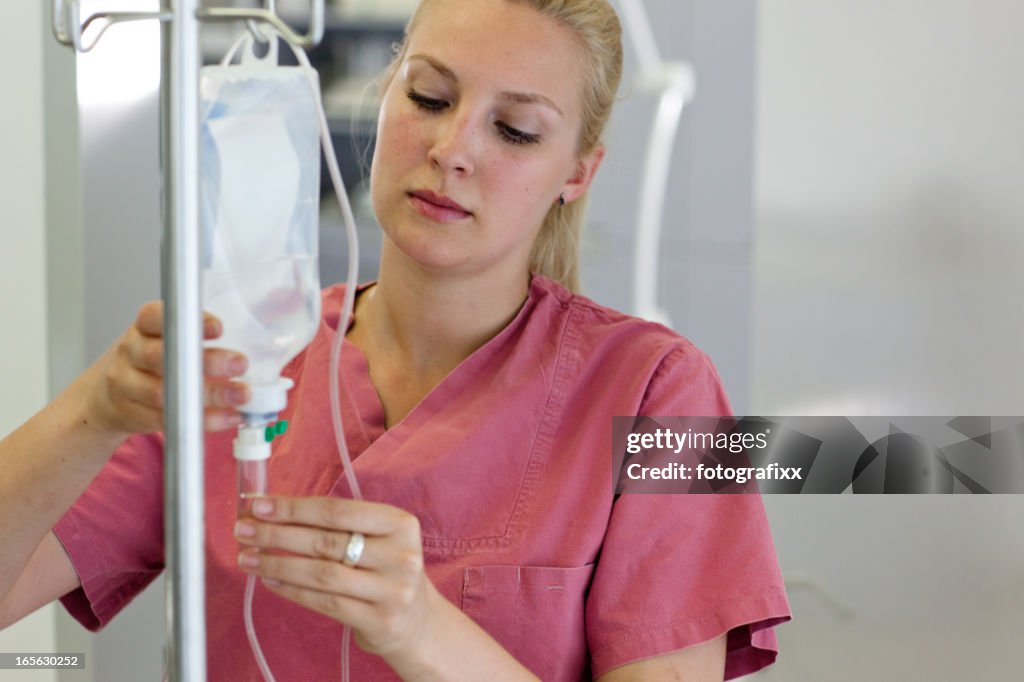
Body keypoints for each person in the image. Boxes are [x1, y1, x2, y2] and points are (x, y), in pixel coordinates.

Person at [0, 0, 790, 679]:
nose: (452, 151)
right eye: (429, 97)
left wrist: (422, 629)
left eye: (514, 130)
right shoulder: (242, 360)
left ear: (578, 172)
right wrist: (93, 413)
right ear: (385, 99)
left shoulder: (667, 394)